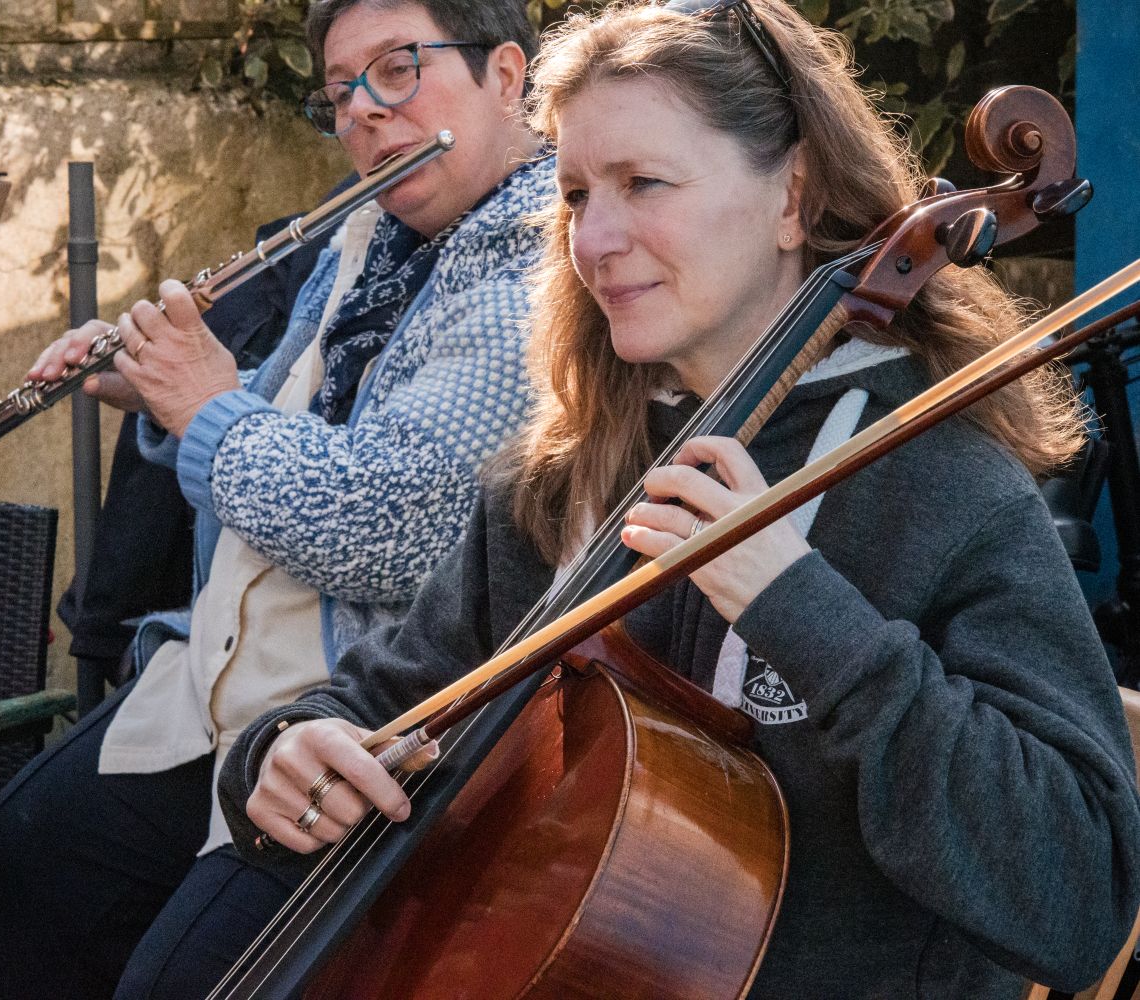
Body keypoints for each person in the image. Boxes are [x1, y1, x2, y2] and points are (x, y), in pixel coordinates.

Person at [220, 2, 1140, 997]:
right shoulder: (562, 476)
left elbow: (1082, 896)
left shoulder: (942, 485)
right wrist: (287, 751)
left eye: (643, 183)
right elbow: (382, 700)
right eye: (576, 195)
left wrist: (802, 609)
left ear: (792, 197)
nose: (595, 239)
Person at [0, 1, 553, 997]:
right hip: (223, 669)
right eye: (341, 93)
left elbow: (390, 526)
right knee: (29, 847)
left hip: (362, 711)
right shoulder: (370, 233)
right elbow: (283, 403)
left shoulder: (535, 267)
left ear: (504, 75)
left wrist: (206, 407)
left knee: (173, 976)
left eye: (397, 70)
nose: (363, 113)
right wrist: (152, 386)